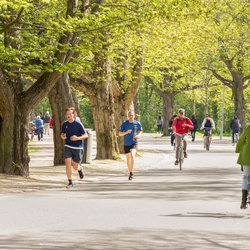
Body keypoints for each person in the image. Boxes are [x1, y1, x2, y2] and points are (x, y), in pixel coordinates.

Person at [61, 107, 88, 188]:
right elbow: (62, 134)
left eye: (70, 114)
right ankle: (70, 182)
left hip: (78, 147)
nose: (68, 115)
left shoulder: (78, 124)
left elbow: (86, 135)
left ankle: (80, 169)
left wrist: (77, 138)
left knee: (75, 166)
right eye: (67, 114)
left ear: (73, 114)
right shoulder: (65, 124)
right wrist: (63, 136)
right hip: (68, 146)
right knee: (67, 162)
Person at [119, 111, 142, 180]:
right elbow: (120, 134)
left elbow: (140, 130)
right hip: (126, 144)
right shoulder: (124, 124)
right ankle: (130, 172)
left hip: (134, 142)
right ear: (128, 116)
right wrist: (126, 132)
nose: (131, 117)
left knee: (132, 155)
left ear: (134, 116)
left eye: (132, 115)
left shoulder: (137, 123)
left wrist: (138, 135)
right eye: (129, 115)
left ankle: (131, 173)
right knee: (128, 159)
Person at [236, 125, 250, 209]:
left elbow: (241, 141)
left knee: (246, 177)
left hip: (247, 158)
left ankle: (243, 202)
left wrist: (238, 149)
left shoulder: (248, 128)